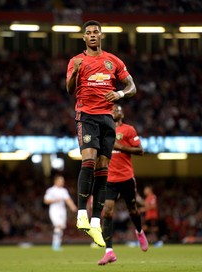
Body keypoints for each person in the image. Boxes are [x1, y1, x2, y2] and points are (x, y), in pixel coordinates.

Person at [66, 20, 137, 247]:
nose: (93, 35)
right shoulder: (77, 61)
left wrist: (119, 95)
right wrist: (75, 73)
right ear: (84, 38)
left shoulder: (113, 61)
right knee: (89, 161)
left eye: (96, 32)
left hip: (107, 119)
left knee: (103, 169)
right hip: (86, 116)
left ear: (101, 35)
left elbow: (132, 87)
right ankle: (81, 215)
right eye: (88, 33)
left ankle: (95, 221)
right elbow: (69, 89)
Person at [98, 104, 148, 265]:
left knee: (133, 210)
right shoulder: (104, 130)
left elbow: (140, 151)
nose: (113, 111)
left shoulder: (128, 130)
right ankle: (109, 251)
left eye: (117, 110)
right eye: (111, 110)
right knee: (107, 212)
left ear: (122, 114)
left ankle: (139, 231)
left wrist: (120, 147)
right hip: (110, 179)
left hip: (126, 178)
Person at [43, 174, 77, 251]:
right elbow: (46, 201)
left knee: (60, 227)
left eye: (63, 181)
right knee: (58, 226)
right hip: (54, 210)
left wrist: (73, 207)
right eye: (61, 181)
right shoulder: (51, 190)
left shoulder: (64, 191)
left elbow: (68, 199)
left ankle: (57, 244)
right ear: (56, 181)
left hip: (62, 211)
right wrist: (55, 200)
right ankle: (55, 245)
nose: (62, 182)